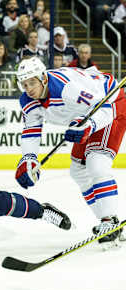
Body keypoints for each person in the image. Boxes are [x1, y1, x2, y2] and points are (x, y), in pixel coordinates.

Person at [15, 56, 126, 245]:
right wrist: (29, 159)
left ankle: (110, 220)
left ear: (43, 78)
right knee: (77, 171)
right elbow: (31, 131)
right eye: (24, 85)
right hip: (86, 114)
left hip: (111, 104)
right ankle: (108, 223)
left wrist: (87, 125)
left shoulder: (66, 88)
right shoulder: (28, 101)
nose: (29, 89)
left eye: (32, 82)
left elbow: (104, 108)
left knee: (97, 164)